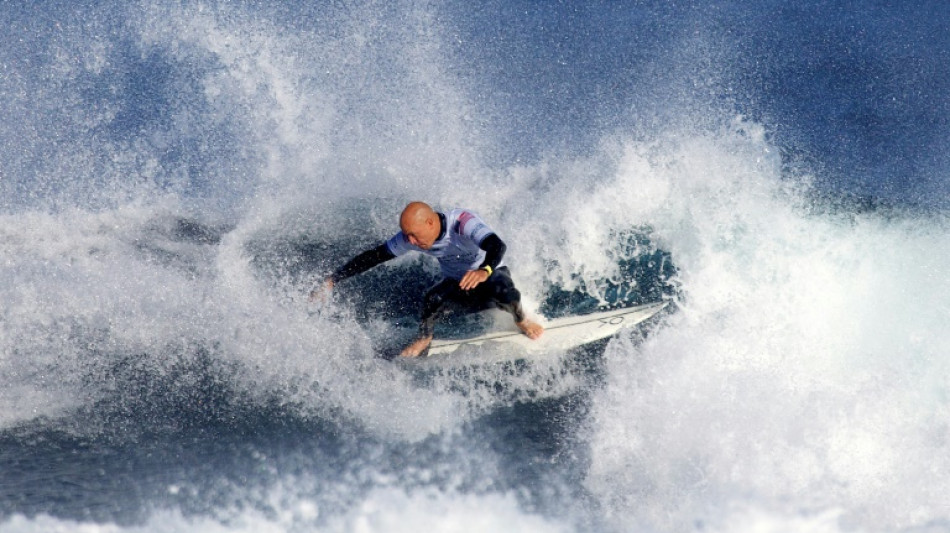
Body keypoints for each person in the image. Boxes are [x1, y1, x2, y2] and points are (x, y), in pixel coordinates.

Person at [312, 202, 543, 357]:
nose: (410, 241)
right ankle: (424, 338)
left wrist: (484, 271)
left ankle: (521, 320)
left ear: (430, 223)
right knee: (431, 298)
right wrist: (334, 279)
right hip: (459, 285)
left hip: (490, 276)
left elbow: (497, 245)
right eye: (406, 235)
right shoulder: (411, 237)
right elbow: (375, 256)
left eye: (413, 235)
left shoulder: (461, 222)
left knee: (505, 291)